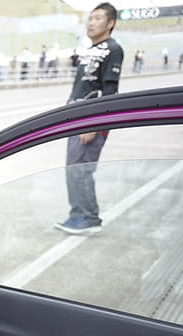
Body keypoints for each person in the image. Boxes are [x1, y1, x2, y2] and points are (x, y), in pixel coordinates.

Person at [55, 3, 123, 236]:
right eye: (90, 18)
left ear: (110, 23)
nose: (91, 23)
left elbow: (109, 92)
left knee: (81, 169)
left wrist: (94, 123)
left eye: (98, 18)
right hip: (77, 115)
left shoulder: (112, 49)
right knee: (73, 168)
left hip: (90, 118)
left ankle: (89, 217)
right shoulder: (89, 49)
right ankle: (77, 214)